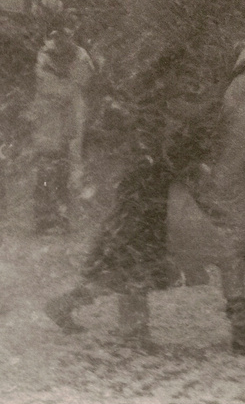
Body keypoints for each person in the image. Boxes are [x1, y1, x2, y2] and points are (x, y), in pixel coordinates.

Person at [45, 40, 223, 347]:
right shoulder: (159, 100)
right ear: (173, 72)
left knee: (124, 262)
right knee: (132, 263)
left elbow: (186, 121)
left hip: (146, 190)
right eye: (186, 72)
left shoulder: (156, 97)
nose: (190, 79)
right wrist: (222, 95)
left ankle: (69, 305)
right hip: (145, 190)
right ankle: (132, 332)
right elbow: (175, 131)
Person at [166, 35, 245, 354]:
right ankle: (240, 331)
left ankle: (241, 329)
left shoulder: (237, 90)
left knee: (225, 255)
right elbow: (244, 140)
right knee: (223, 254)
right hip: (223, 185)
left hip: (216, 183)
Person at [32, 26, 94, 234]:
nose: (61, 40)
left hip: (70, 120)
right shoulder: (45, 55)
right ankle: (44, 217)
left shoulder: (80, 55)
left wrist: (64, 89)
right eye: (57, 36)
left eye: (65, 35)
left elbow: (82, 81)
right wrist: (64, 88)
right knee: (46, 168)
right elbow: (45, 84)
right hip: (49, 121)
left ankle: (63, 215)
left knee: (66, 169)